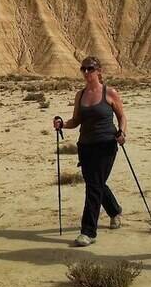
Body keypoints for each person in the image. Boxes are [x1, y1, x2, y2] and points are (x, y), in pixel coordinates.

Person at [53, 56, 127, 246]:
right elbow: (76, 120)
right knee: (96, 183)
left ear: (99, 71)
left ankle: (88, 231)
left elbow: (122, 117)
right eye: (83, 69)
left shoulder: (110, 93)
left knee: (93, 186)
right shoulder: (80, 95)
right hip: (85, 146)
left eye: (90, 69)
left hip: (106, 145)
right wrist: (62, 124)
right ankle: (115, 210)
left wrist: (122, 132)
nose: (86, 72)